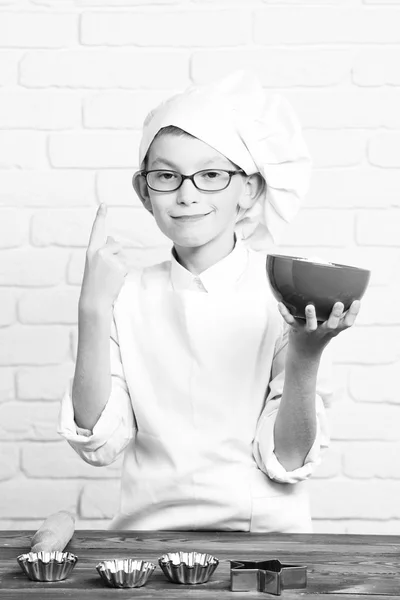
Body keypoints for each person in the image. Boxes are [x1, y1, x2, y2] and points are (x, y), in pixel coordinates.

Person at [57, 71, 360, 533]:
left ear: (250, 191)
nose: (187, 194)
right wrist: (92, 310)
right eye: (166, 176)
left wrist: (306, 354)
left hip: (265, 544)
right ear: (144, 191)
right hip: (147, 541)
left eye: (212, 175)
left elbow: (288, 458)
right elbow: (99, 442)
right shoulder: (123, 296)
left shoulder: (289, 293)